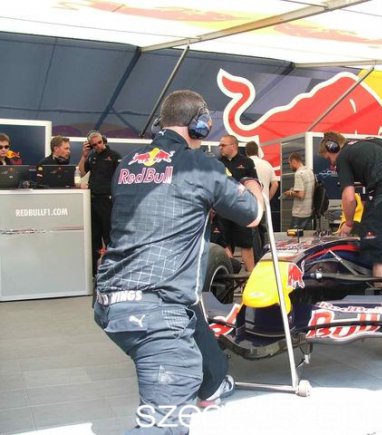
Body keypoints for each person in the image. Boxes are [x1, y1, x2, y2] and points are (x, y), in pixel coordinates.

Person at [93, 89, 264, 434]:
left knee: (188, 328)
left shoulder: (126, 165)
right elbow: (252, 214)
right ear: (201, 125)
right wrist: (251, 182)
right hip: (155, 310)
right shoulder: (200, 165)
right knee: (163, 426)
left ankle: (212, 383)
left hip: (110, 302)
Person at [319, 132, 382, 280]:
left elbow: (349, 197)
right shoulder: (375, 142)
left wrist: (348, 223)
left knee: (379, 255)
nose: (331, 164)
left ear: (333, 148)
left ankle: (380, 291)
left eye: (329, 158)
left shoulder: (343, 156)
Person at [78, 130, 121, 276]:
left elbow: (121, 178)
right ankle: (94, 273)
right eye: (94, 145)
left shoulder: (114, 156)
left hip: (107, 201)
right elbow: (82, 173)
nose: (98, 146)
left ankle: (113, 271)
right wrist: (84, 156)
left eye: (99, 142)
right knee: (94, 236)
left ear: (104, 140)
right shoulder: (91, 157)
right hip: (93, 200)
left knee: (109, 236)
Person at [218, 134, 259, 272]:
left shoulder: (247, 162)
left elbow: (255, 184)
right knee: (225, 244)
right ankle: (229, 278)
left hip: (241, 210)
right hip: (223, 210)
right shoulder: (217, 163)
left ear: (233, 146)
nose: (220, 148)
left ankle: (251, 278)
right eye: (220, 145)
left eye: (223, 145)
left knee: (246, 244)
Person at [245, 140, 279, 254]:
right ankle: (264, 255)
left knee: (252, 234)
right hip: (263, 205)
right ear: (258, 151)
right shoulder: (267, 164)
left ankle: (255, 257)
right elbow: (275, 184)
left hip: (249, 205)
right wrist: (267, 199)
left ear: (246, 152)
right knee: (263, 231)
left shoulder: (245, 163)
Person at [283, 152, 315, 230]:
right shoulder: (309, 171)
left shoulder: (298, 174)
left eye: (290, 163)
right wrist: (294, 189)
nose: (290, 166)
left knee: (293, 236)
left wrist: (290, 193)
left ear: (294, 161)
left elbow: (301, 195)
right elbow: (306, 188)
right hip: (309, 212)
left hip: (299, 213)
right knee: (307, 236)